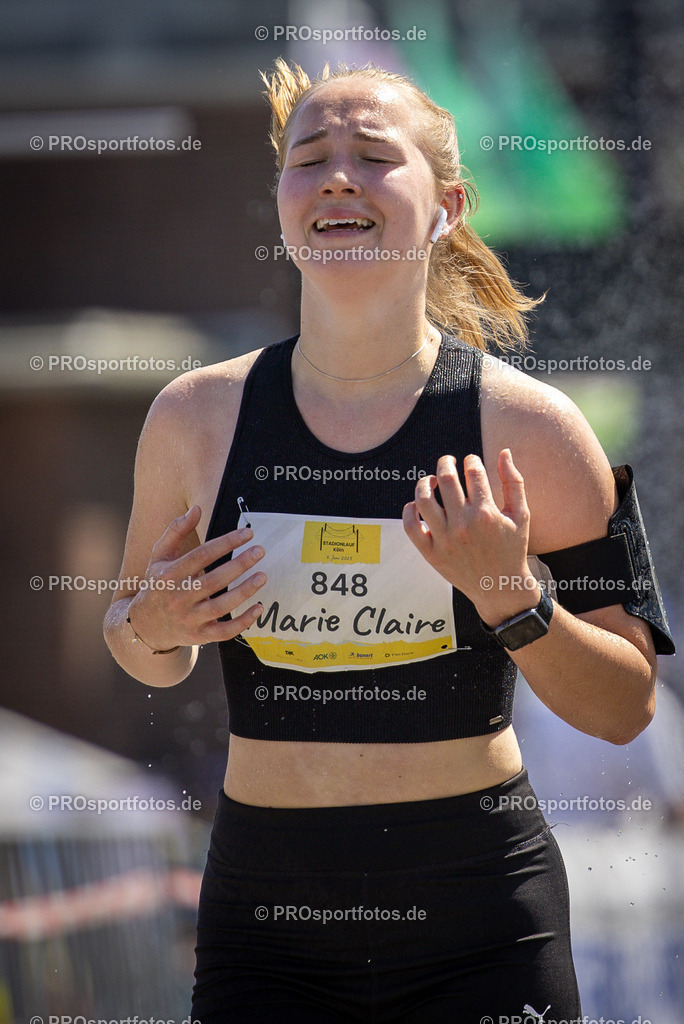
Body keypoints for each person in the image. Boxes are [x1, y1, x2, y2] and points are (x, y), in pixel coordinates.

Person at [103, 59, 674, 1023]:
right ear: (282, 200)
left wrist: (514, 601)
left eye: (374, 157)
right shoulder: (193, 416)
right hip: (265, 919)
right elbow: (136, 647)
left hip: (479, 917)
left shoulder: (540, 429)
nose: (336, 178)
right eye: (308, 158)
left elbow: (628, 707)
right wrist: (159, 622)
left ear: (449, 205)